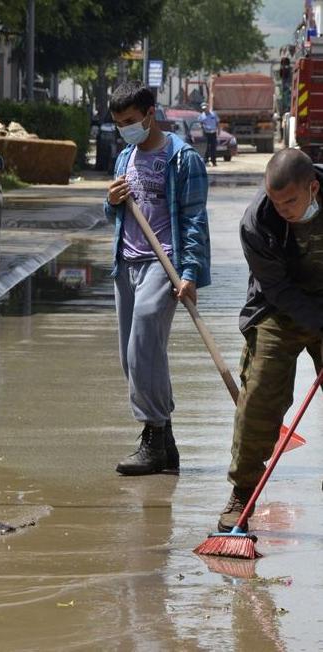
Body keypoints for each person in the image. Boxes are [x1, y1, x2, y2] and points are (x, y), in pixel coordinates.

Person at [104, 81, 211, 476]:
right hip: (126, 263)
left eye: (130, 121)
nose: (125, 129)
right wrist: (111, 200)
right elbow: (113, 214)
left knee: (144, 344)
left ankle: (151, 437)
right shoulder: (125, 159)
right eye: (118, 123)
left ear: (151, 113)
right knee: (132, 359)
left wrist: (190, 273)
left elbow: (196, 219)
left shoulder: (182, 159)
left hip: (163, 262)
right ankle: (165, 444)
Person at [218, 148, 323, 532]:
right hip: (279, 307)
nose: (282, 210)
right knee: (261, 392)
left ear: (313, 187)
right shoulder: (256, 222)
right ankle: (243, 492)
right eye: (275, 201)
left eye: (290, 201)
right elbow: (277, 288)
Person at [198, 102, 220, 166]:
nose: (205, 110)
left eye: (205, 108)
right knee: (206, 148)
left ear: (208, 107)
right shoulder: (201, 116)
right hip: (206, 133)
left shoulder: (214, 114)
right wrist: (201, 130)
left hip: (213, 133)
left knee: (213, 147)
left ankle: (214, 161)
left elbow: (217, 123)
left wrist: (219, 131)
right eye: (203, 109)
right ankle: (206, 161)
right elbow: (200, 124)